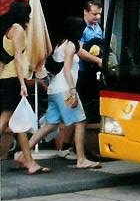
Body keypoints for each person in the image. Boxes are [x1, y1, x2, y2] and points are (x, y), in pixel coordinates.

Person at [17, 17, 101, 170]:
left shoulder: (61, 44)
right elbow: (68, 70)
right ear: (77, 31)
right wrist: (73, 91)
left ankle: (24, 153)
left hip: (54, 90)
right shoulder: (70, 46)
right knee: (81, 121)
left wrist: (97, 60)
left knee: (50, 125)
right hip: (65, 90)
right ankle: (81, 160)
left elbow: (80, 52)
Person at [0, 0, 48, 174]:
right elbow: (18, 60)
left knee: (18, 123)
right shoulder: (18, 30)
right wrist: (22, 83)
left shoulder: (8, 29)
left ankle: (30, 162)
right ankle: (30, 162)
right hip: (13, 79)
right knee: (5, 119)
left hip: (6, 78)